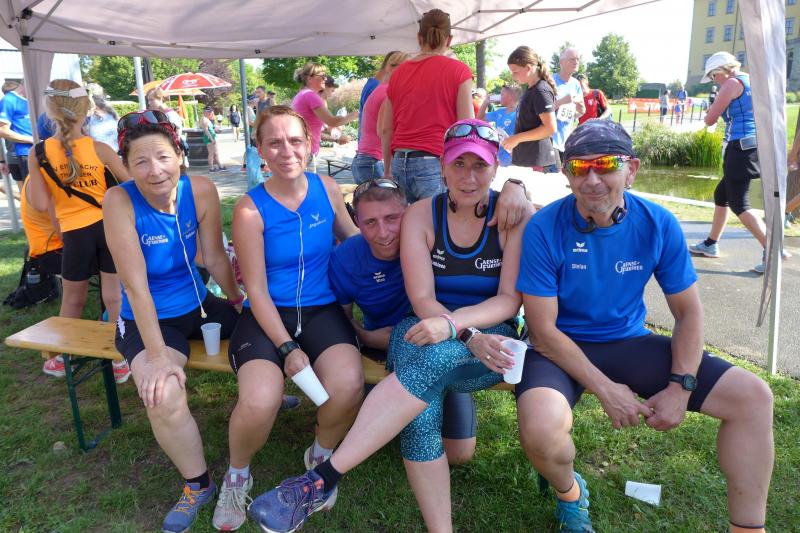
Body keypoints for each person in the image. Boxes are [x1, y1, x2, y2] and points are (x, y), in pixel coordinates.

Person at [248, 119, 532, 533]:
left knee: (453, 437)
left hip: (490, 338)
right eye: (458, 164)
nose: (468, 177)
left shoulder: (512, 216)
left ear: (496, 168)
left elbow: (509, 300)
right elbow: (421, 298)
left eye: (480, 166)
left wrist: (461, 331)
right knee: (419, 416)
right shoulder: (421, 214)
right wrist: (455, 330)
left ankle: (321, 478)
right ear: (442, 166)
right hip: (423, 328)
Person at [514, 119, 774, 533]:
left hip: (628, 341)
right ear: (566, 173)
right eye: (580, 167)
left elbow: (688, 313)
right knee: (543, 432)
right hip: (558, 349)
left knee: (753, 397)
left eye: (605, 164)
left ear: (631, 169)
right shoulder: (544, 227)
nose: (592, 179)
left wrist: (681, 386)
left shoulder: (658, 223)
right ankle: (570, 493)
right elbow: (543, 332)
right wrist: (607, 390)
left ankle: (747, 528)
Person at [211, 106, 363, 531]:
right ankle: (237, 475)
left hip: (321, 308)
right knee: (260, 401)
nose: (286, 151)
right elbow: (255, 291)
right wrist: (287, 348)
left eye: (295, 141)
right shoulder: (250, 209)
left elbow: (353, 241)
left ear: (309, 144)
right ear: (260, 150)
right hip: (267, 315)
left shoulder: (327, 188)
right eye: (274, 143)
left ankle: (320, 454)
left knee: (348, 385)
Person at [103, 109, 242, 533]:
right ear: (126, 166)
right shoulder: (119, 201)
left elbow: (214, 256)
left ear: (179, 154)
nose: (155, 170)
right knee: (162, 393)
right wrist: (159, 357)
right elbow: (135, 286)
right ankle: (198, 485)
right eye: (141, 161)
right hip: (147, 320)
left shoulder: (200, 190)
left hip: (200, 306)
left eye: (163, 156)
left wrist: (238, 301)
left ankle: (261, 395)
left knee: (267, 336)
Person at [329, 178, 487, 466]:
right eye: (370, 222)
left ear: (409, 213)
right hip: (381, 349)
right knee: (375, 424)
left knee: (459, 454)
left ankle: (440, 396)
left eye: (392, 218)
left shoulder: (432, 239)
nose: (383, 232)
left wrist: (515, 187)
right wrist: (365, 337)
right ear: (357, 222)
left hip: (441, 347)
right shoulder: (346, 258)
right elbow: (341, 318)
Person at [26, 79, 131, 382]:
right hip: (109, 228)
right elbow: (131, 186)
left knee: (73, 299)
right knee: (114, 297)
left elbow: (39, 203)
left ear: (49, 111)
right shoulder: (100, 149)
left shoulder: (39, 153)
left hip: (73, 234)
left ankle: (62, 357)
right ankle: (120, 357)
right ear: (87, 110)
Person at [688, 51, 785, 273]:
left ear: (721, 70)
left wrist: (712, 108)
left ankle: (773, 250)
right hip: (755, 144)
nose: (714, 81)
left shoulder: (731, 84)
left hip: (739, 147)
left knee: (739, 203)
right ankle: (711, 244)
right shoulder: (751, 80)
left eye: (713, 76)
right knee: (721, 195)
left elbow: (710, 119)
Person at [381, 9, 473, 202]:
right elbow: (466, 126)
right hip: (434, 162)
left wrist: (387, 169)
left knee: (407, 221)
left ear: (419, 37)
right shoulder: (459, 71)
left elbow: (386, 129)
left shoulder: (398, 74)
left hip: (399, 161)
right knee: (436, 220)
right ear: (449, 40)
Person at [501, 46, 561, 204]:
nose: (513, 76)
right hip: (528, 159)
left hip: (538, 162)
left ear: (529, 68)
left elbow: (550, 128)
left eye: (515, 71)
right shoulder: (531, 89)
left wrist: (516, 139)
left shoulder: (541, 91)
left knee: (533, 208)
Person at [351, 52, 409, 183]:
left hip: (365, 159)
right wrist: (388, 170)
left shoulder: (380, 89)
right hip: (374, 161)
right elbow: (384, 130)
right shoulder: (389, 92)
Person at [291, 63, 358, 172]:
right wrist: (355, 114)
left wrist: (336, 137)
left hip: (302, 150)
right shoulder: (311, 95)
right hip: (305, 151)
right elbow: (332, 121)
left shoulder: (303, 94)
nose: (325, 79)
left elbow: (318, 129)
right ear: (310, 78)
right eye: (322, 76)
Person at [550, 48, 585, 165]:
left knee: (568, 173)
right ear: (561, 62)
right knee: (555, 173)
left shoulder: (576, 84)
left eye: (577, 59)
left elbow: (581, 112)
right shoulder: (550, 81)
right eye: (572, 59)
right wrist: (562, 101)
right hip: (550, 138)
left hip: (567, 139)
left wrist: (580, 107)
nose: (576, 62)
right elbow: (540, 110)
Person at [478, 84, 521, 168]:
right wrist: (486, 102)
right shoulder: (500, 112)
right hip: (499, 158)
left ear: (510, 97)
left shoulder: (521, 113)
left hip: (514, 160)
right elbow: (479, 119)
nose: (499, 97)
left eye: (502, 94)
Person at [0, 79, 33, 181]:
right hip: (24, 154)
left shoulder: (32, 98)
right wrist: (32, 139)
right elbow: (2, 131)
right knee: (30, 189)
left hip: (43, 149)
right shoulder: (8, 100)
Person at [201, 106, 225, 172]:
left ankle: (220, 165)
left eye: (211, 112)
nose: (211, 113)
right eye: (209, 112)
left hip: (212, 137)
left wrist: (215, 130)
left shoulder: (207, 119)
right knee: (211, 153)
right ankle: (211, 168)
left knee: (216, 153)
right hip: (209, 138)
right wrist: (211, 139)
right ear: (205, 112)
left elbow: (210, 129)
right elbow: (206, 130)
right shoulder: (204, 119)